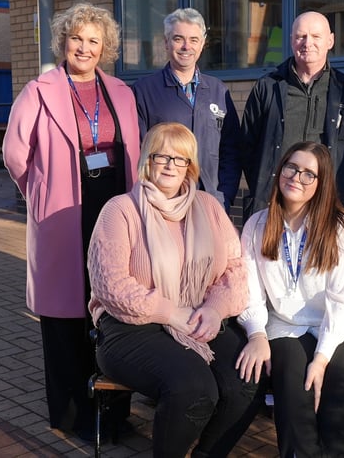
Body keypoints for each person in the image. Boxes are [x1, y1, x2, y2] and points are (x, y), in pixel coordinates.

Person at [2, 2, 141, 441]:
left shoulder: (120, 91)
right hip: (63, 212)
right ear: (64, 41)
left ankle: (114, 414)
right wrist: (40, 192)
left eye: (93, 41)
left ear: (106, 48)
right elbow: (14, 154)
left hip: (114, 204)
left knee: (114, 309)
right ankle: (73, 415)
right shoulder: (38, 90)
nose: (84, 47)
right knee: (66, 317)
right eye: (77, 38)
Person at [87, 123, 263, 457]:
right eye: (162, 156)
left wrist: (214, 308)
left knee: (245, 384)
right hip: (130, 326)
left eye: (180, 159)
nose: (170, 165)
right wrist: (172, 313)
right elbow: (110, 285)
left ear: (190, 166)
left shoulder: (209, 207)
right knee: (194, 389)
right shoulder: (120, 210)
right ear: (147, 161)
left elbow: (236, 268)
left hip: (201, 315)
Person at [236, 141, 344, 457]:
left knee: (336, 384)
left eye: (308, 174)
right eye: (292, 167)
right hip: (287, 327)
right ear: (280, 169)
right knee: (292, 387)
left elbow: (341, 303)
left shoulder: (339, 228)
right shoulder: (257, 225)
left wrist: (322, 358)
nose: (296, 177)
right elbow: (249, 290)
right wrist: (257, 333)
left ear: (321, 184)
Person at [241, 11, 344, 222]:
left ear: (330, 41)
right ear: (291, 41)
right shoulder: (268, 87)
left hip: (327, 206)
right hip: (274, 204)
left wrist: (330, 181)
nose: (307, 43)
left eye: (316, 36)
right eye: (301, 36)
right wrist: (267, 183)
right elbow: (247, 146)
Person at [133, 7, 242, 212]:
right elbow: (138, 153)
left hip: (209, 203)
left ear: (202, 44)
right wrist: (152, 198)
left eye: (193, 40)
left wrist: (223, 197)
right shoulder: (144, 91)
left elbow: (231, 151)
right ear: (166, 43)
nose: (186, 46)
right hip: (162, 204)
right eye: (178, 39)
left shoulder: (219, 91)